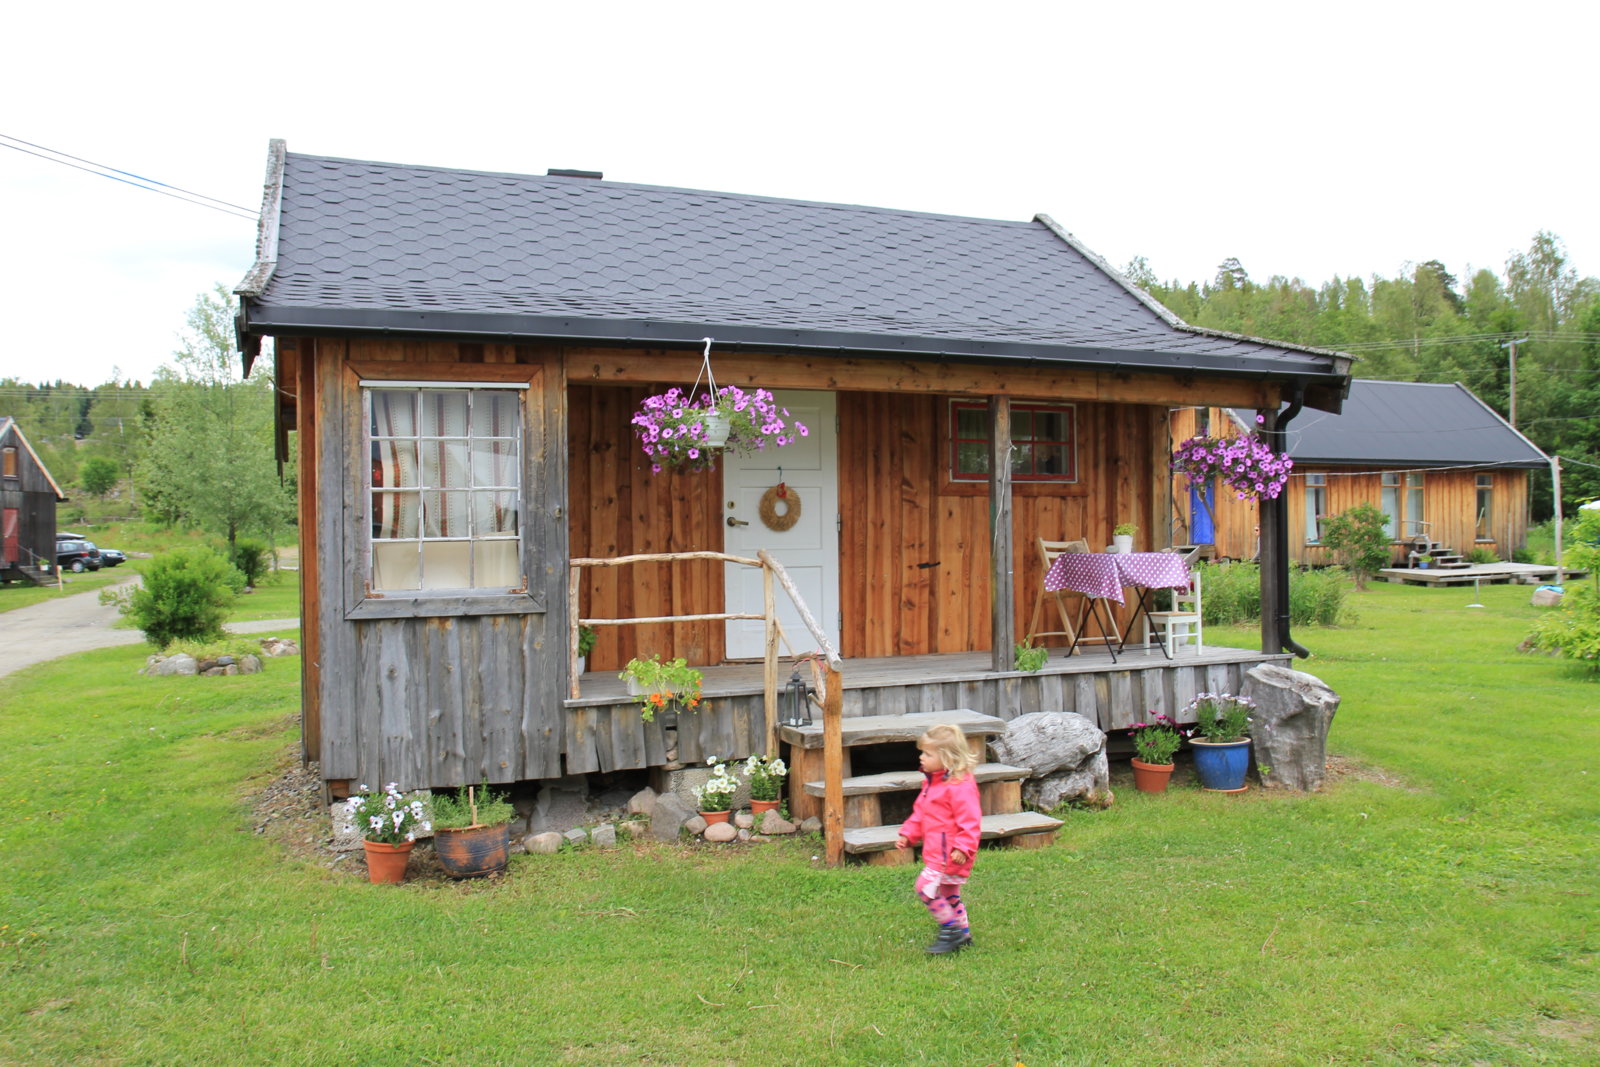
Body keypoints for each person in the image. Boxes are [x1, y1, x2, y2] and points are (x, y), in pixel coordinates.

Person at [895, 723, 983, 955]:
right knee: (949, 894)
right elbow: (921, 813)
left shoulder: (959, 787)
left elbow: (971, 821)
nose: (921, 758)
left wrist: (963, 847)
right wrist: (908, 833)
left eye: (928, 753)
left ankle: (950, 929)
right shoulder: (932, 783)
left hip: (950, 855)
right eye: (922, 752)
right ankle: (964, 935)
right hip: (938, 852)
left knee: (925, 888)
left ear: (947, 758)